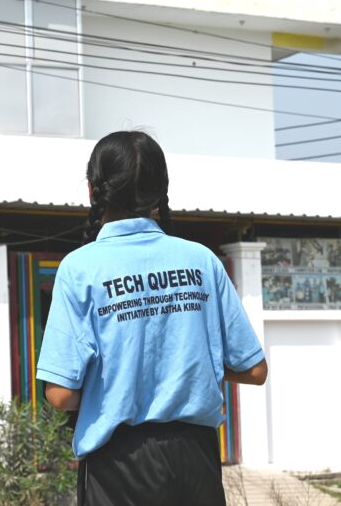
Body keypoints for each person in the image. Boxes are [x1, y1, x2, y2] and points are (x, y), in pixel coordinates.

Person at [36, 131, 268, 506]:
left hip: (117, 467)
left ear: (93, 191)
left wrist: (121, 385)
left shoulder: (80, 269)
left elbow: (60, 395)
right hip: (197, 461)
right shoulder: (202, 261)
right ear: (161, 191)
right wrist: (186, 369)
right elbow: (255, 370)